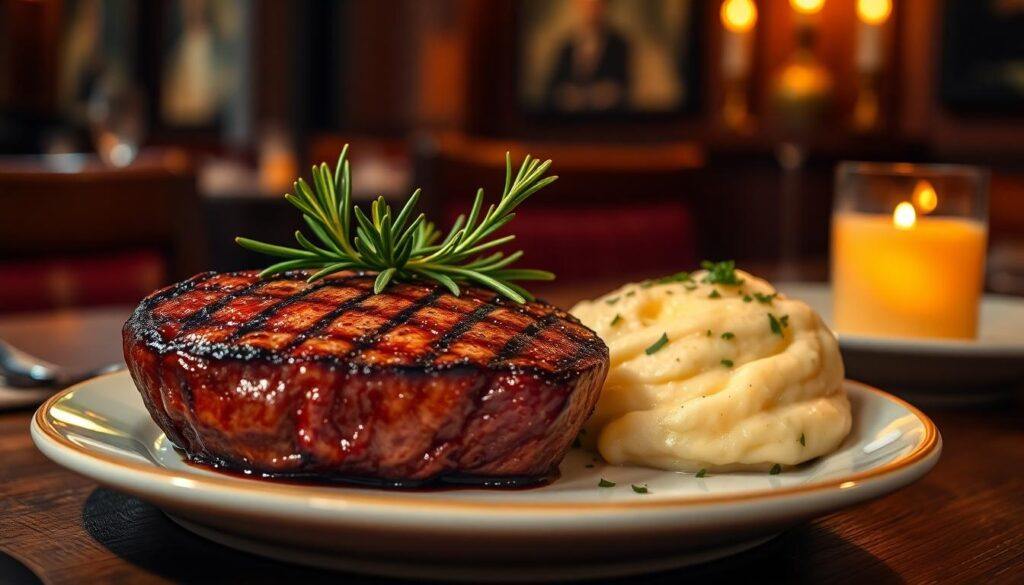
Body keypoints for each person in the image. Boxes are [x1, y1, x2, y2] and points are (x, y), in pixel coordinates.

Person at [543, 0, 631, 114]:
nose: (591, 9)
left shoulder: (620, 45)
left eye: (596, 4)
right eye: (587, 4)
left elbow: (624, 90)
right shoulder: (565, 47)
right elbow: (551, 91)